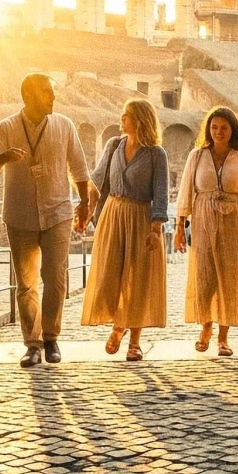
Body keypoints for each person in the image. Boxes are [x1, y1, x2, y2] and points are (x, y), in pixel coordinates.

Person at [0, 74, 92, 368]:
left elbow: (79, 167)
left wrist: (84, 203)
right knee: (27, 284)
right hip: (20, 216)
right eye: (46, 92)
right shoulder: (6, 127)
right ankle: (32, 344)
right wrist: (5, 156)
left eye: (52, 92)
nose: (53, 97)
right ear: (28, 96)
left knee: (55, 279)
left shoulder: (64, 125)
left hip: (58, 213)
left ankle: (51, 337)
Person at [81, 99, 169, 362]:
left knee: (138, 279)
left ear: (140, 120)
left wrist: (155, 229)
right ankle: (119, 324)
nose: (122, 118)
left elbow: (161, 193)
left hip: (141, 218)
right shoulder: (114, 145)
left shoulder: (156, 154)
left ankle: (134, 341)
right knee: (109, 274)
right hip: (113, 214)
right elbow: (98, 182)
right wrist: (86, 209)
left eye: (127, 115)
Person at [175, 106, 238, 356]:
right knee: (205, 276)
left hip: (234, 222)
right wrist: (180, 226)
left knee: (230, 278)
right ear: (208, 129)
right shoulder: (196, 156)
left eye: (224, 128)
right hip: (203, 219)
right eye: (214, 127)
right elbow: (186, 191)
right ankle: (206, 326)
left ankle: (224, 337)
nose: (219, 132)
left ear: (232, 130)